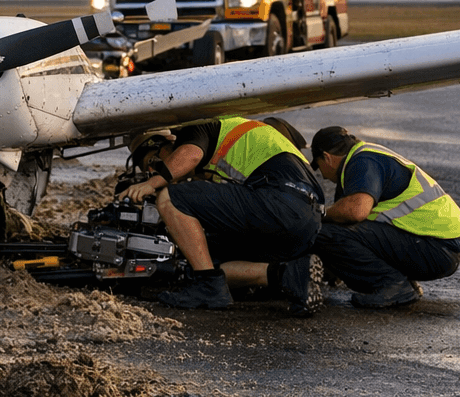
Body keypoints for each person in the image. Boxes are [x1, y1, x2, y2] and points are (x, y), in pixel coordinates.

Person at [124, 115, 325, 313]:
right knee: (207, 259)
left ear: (169, 143)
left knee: (170, 198)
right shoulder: (236, 145)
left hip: (281, 203)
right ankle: (288, 275)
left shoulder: (200, 124)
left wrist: (152, 183)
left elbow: (191, 155)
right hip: (306, 224)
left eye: (155, 162)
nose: (154, 169)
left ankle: (208, 288)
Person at [309, 126, 460, 308]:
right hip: (441, 245)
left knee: (326, 233)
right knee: (346, 230)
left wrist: (319, 213)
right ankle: (402, 283)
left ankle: (392, 285)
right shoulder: (369, 155)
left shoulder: (363, 161)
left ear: (327, 157)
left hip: (437, 247)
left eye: (318, 167)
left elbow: (356, 211)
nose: (322, 175)